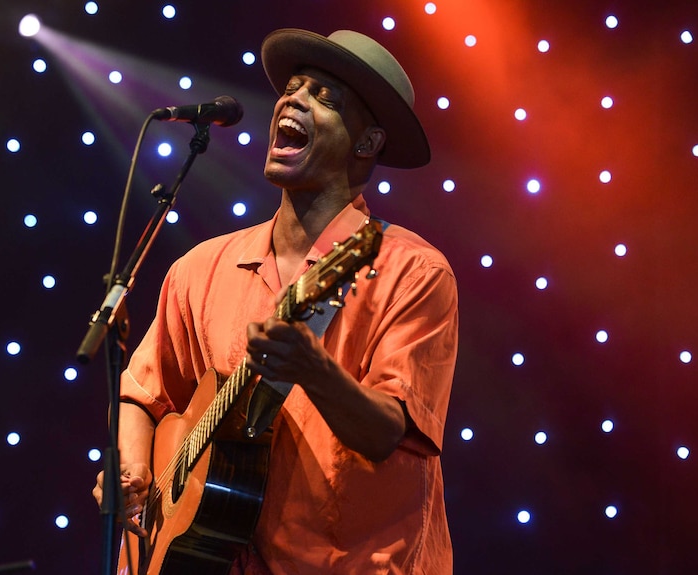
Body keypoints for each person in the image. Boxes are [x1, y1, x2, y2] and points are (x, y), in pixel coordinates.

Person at [93, 28, 458, 574]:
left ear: (368, 143)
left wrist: (315, 370)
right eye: (293, 88)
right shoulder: (201, 266)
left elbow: (389, 432)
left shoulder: (413, 270)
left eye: (324, 98)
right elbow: (141, 393)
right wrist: (133, 472)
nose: (294, 99)